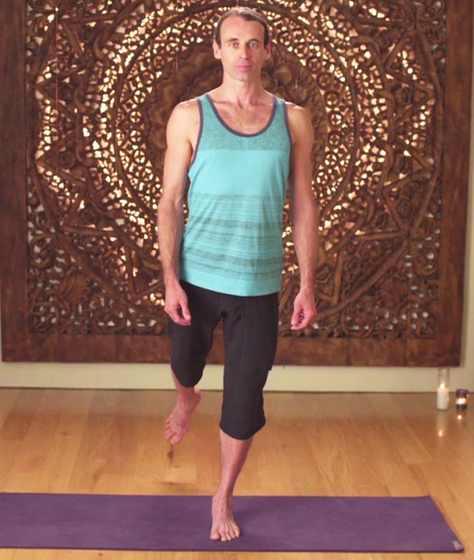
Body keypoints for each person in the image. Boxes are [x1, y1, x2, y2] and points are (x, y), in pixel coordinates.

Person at [155, 7, 320, 542]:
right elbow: (170, 202)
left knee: (245, 399)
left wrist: (307, 283)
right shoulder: (190, 116)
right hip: (197, 277)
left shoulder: (292, 120)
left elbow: (303, 204)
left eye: (253, 43)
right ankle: (187, 397)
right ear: (217, 50)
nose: (243, 53)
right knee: (184, 362)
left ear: (266, 51)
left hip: (259, 283)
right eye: (233, 43)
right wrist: (170, 279)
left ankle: (223, 495)